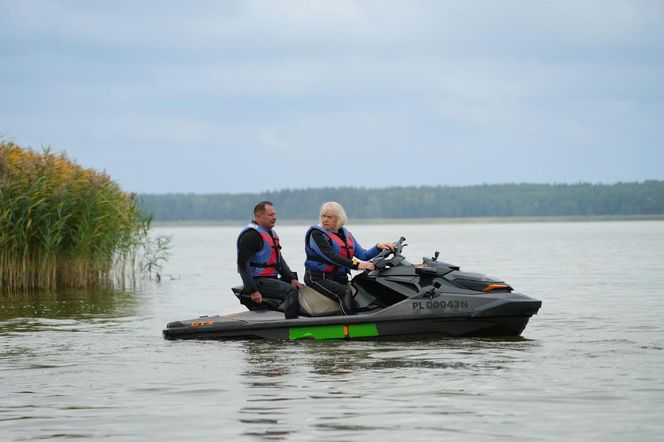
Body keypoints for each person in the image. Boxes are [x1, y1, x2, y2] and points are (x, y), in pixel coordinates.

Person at [304, 201, 395, 315]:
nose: (325, 220)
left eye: (329, 217)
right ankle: (346, 326)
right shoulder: (316, 235)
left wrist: (379, 247)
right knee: (345, 292)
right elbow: (332, 257)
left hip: (338, 278)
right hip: (317, 278)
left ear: (338, 219)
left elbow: (363, 255)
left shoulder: (345, 234)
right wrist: (358, 265)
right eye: (323, 216)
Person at [237, 201, 303, 319]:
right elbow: (242, 266)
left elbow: (279, 260)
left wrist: (291, 278)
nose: (274, 218)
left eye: (275, 214)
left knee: (298, 287)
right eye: (270, 215)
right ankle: (290, 324)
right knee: (291, 291)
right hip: (258, 281)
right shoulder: (251, 236)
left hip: (271, 278)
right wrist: (253, 290)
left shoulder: (271, 234)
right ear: (258, 216)